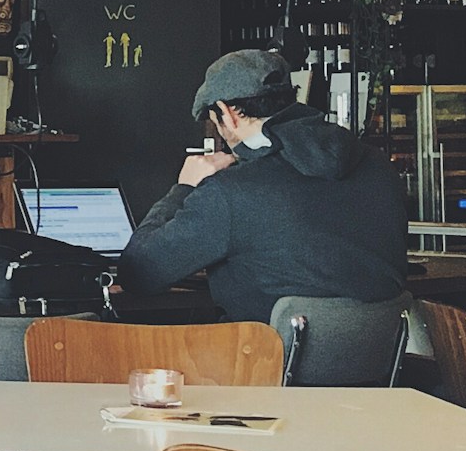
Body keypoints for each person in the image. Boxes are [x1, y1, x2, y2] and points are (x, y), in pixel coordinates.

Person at [117, 48, 406, 322]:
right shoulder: (377, 165)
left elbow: (138, 273)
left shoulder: (229, 192)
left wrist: (185, 188)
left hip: (263, 365)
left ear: (226, 113)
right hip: (382, 366)